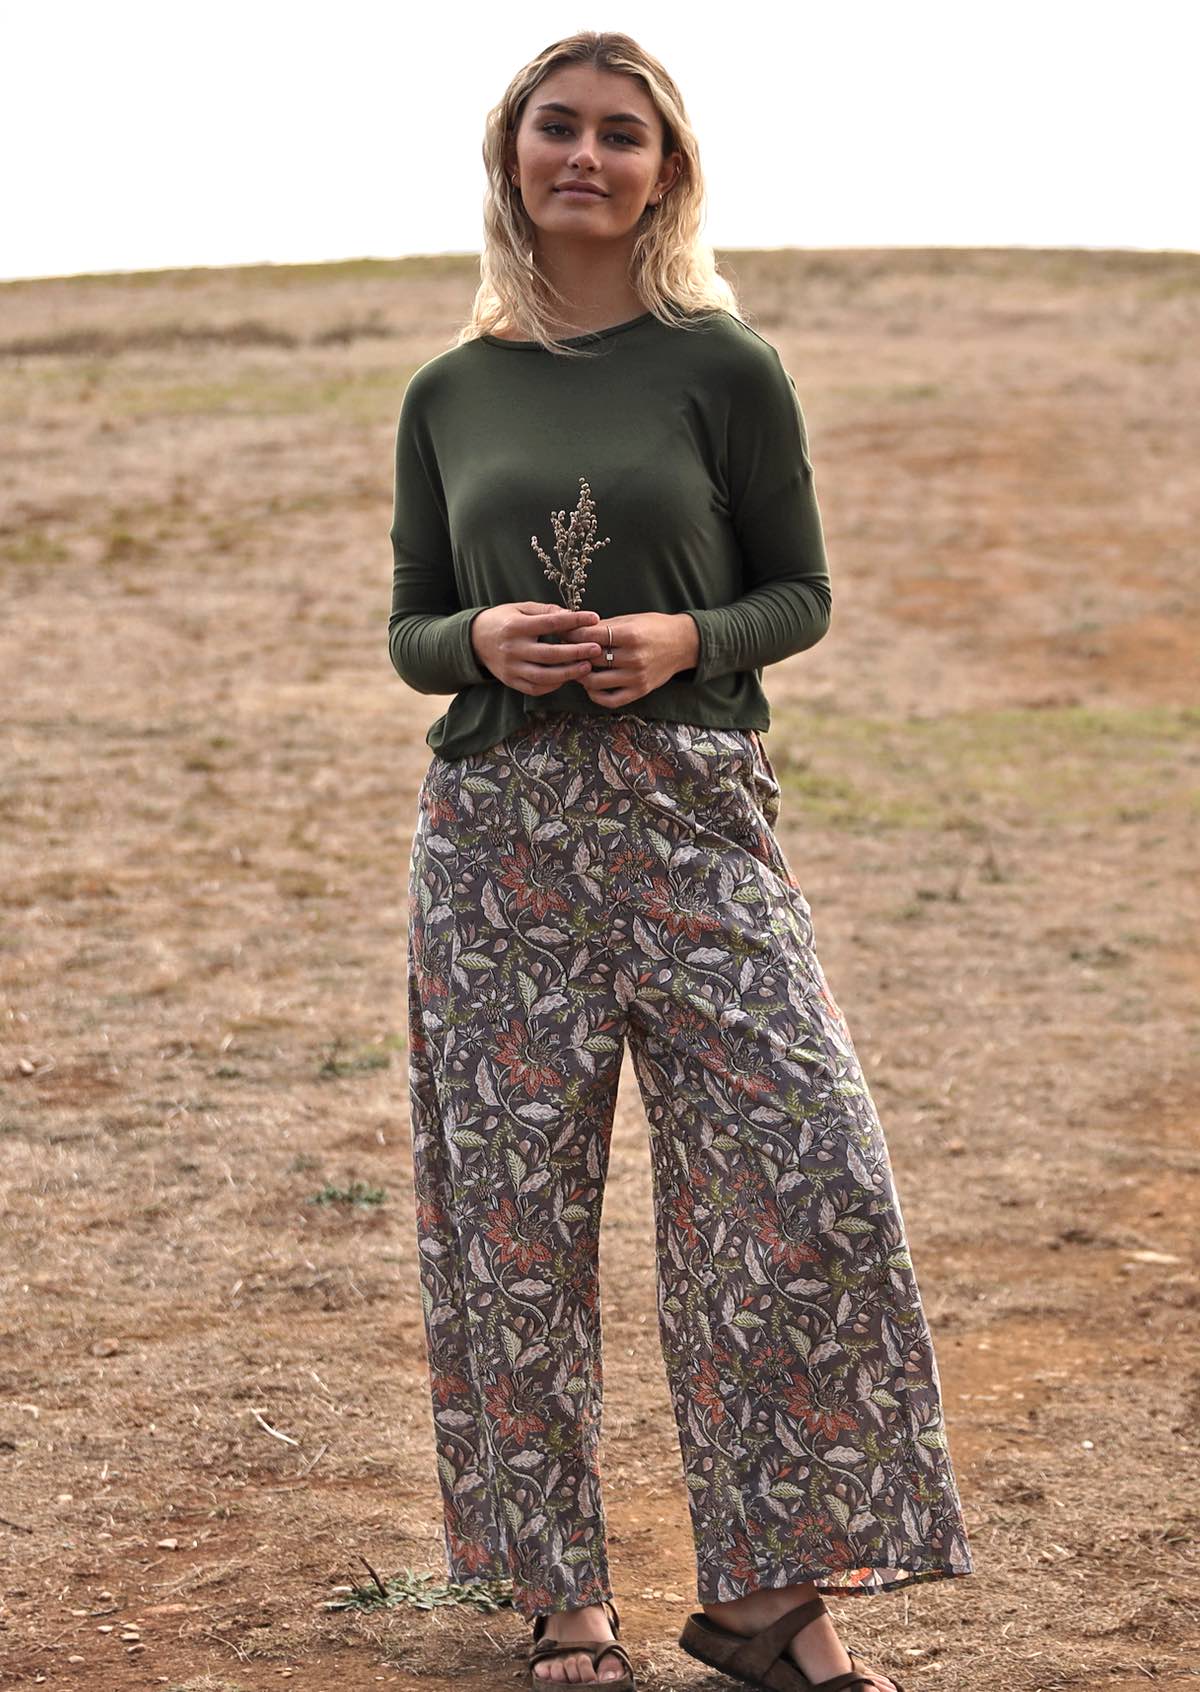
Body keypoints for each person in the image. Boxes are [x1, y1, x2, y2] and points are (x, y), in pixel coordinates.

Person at [390, 29, 973, 1692]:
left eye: (620, 134)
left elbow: (803, 594)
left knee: (807, 1176)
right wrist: (478, 639)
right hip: (499, 842)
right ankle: (557, 1595)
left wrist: (686, 637)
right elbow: (411, 624)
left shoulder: (727, 366)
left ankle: (771, 1599)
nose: (584, 155)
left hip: (695, 819)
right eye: (557, 127)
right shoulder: (450, 391)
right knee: (509, 1223)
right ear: (514, 154)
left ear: (665, 171)